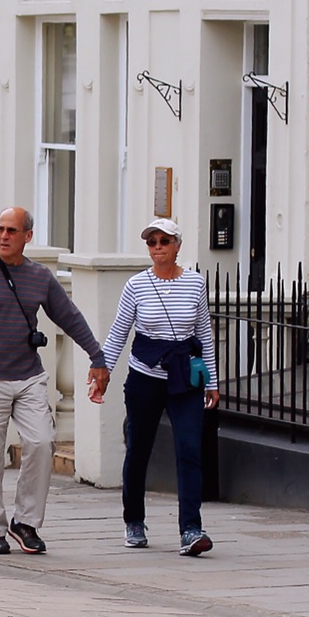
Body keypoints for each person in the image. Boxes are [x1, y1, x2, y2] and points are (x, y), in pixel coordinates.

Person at [0, 207, 111, 555]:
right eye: (0, 229)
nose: (4, 236)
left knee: (41, 441)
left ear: (27, 237)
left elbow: (69, 316)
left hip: (28, 376)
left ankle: (26, 522)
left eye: (11, 230)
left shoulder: (40, 278)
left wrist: (97, 357)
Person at [100, 218, 220, 556]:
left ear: (177, 246)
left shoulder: (195, 284)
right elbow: (119, 332)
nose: (158, 248)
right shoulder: (136, 285)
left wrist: (212, 381)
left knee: (189, 449)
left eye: (164, 241)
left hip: (184, 378)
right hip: (145, 377)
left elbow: (204, 336)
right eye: (152, 243)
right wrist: (103, 371)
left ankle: (191, 529)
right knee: (138, 448)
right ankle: (134, 520)